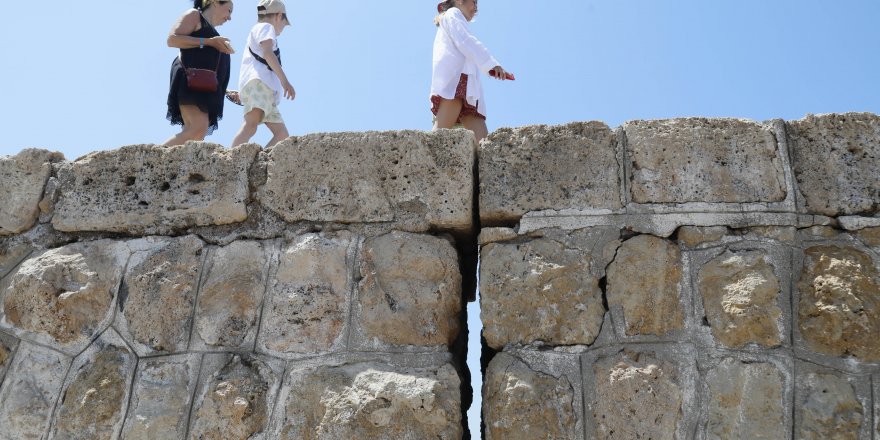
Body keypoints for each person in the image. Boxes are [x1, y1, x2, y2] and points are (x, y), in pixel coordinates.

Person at [431, 0, 511, 143]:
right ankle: (420, 162)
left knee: (483, 141)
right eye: (474, 2)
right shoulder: (453, 14)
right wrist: (491, 64)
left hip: (465, 85)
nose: (476, 8)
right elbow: (466, 41)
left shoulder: (452, 18)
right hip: (457, 80)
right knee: (438, 137)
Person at [163, 0, 236, 146]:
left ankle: (167, 164)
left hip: (205, 87)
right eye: (229, 11)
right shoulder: (195, 15)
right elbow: (172, 39)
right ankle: (153, 161)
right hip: (189, 81)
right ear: (215, 2)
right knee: (197, 128)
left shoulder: (214, 35)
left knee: (196, 134)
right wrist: (209, 42)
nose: (229, 18)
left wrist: (225, 91)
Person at [230, 0, 296, 148]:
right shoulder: (266, 27)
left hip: (266, 92)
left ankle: (259, 164)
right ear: (279, 16)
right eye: (284, 24)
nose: (282, 30)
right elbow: (267, 53)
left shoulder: (261, 29)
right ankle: (230, 161)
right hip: (260, 85)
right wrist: (285, 81)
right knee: (251, 124)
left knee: (282, 135)